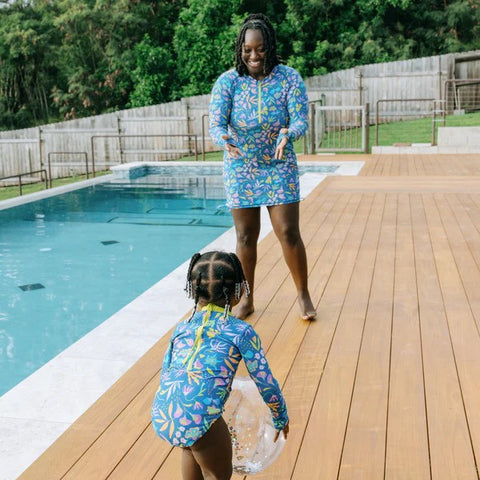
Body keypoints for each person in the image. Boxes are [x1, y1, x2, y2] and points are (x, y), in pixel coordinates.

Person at [209, 13, 316, 321]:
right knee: (244, 237)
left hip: (279, 164)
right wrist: (223, 139)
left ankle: (303, 293)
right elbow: (216, 122)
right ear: (240, 49)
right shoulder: (228, 81)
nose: (253, 55)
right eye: (247, 49)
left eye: (259, 49)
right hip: (241, 167)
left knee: (288, 232)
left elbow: (299, 119)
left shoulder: (289, 78)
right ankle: (247, 299)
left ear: (269, 45)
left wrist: (288, 134)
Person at [151, 251, 289, 480]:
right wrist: (280, 415)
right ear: (239, 291)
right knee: (217, 474)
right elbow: (265, 381)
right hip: (200, 414)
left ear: (193, 291)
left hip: (165, 410)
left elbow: (166, 372)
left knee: (192, 444)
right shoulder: (241, 331)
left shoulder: (181, 328)